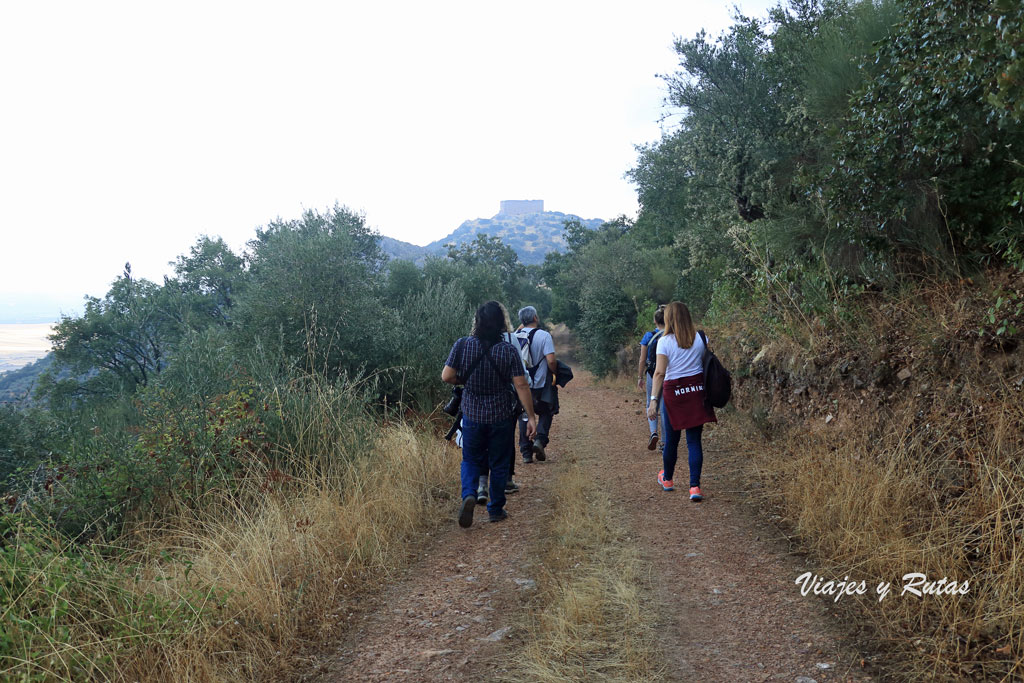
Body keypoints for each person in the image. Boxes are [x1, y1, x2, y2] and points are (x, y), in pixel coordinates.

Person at [443, 301, 537, 527]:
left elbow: (447, 376)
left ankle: (469, 494)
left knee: (470, 459)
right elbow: (522, 385)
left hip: (472, 415)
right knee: (499, 461)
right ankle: (496, 509)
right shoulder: (508, 350)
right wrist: (531, 417)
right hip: (501, 415)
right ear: (502, 323)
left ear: (477, 321)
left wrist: (465, 381)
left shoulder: (462, 345)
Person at [646, 301, 716, 502]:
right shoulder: (701, 338)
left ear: (669, 318)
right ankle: (695, 487)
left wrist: (653, 401)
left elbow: (659, 373)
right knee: (694, 441)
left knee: (672, 441)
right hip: (696, 391)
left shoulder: (664, 342)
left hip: (673, 394)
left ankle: (667, 479)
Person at [476, 303, 528, 506]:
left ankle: (481, 484)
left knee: (480, 444)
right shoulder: (510, 339)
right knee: (505, 441)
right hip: (504, 400)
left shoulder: (471, 341)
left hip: (476, 402)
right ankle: (506, 480)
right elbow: (520, 373)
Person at [515, 306, 557, 464]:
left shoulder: (515, 336)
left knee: (524, 416)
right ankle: (539, 440)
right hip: (541, 384)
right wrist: (554, 373)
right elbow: (551, 360)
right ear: (535, 318)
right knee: (546, 411)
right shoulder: (544, 335)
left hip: (521, 384)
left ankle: (526, 453)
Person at [637, 305, 666, 451]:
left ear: (655, 320)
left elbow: (642, 359)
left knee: (651, 402)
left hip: (651, 374)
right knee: (665, 406)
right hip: (668, 375)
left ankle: (653, 432)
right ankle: (665, 441)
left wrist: (639, 376)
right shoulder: (670, 335)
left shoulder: (649, 336)